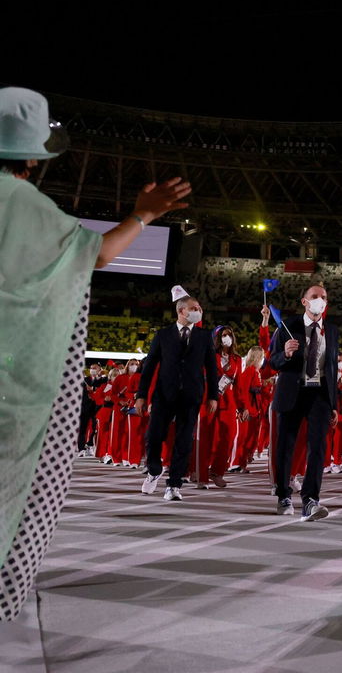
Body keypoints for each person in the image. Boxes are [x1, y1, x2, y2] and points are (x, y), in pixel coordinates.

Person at [0, 88, 191, 624]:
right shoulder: (31, 209)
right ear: (35, 158)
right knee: (23, 493)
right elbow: (98, 254)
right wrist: (144, 214)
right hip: (19, 395)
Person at [134, 292, 220, 502]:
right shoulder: (163, 335)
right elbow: (149, 366)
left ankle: (174, 485)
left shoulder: (204, 336)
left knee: (184, 440)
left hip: (191, 395)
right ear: (181, 311)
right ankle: (154, 469)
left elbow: (211, 367)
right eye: (194, 308)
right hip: (164, 393)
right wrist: (141, 395)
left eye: (199, 308)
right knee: (154, 436)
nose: (199, 311)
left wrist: (213, 395)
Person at [268, 285, 340, 521]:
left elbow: (331, 369)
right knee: (285, 447)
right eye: (315, 297)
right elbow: (272, 362)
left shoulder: (331, 330)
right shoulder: (287, 326)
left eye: (324, 297)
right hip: (292, 392)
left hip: (319, 395)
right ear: (304, 302)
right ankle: (283, 495)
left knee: (318, 448)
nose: (320, 300)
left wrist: (334, 404)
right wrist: (286, 354)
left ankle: (311, 499)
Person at [196, 326, 242, 489]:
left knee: (228, 436)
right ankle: (201, 475)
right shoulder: (209, 354)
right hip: (209, 398)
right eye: (224, 335)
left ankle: (217, 471)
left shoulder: (237, 359)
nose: (227, 337)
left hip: (228, 402)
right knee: (205, 437)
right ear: (217, 337)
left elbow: (238, 385)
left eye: (230, 334)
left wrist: (241, 406)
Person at [232, 346, 266, 472]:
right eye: (262, 357)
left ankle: (243, 463)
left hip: (256, 410)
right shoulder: (249, 371)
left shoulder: (257, 372)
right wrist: (244, 408)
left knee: (251, 439)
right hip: (249, 409)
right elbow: (243, 390)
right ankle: (237, 463)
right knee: (244, 437)